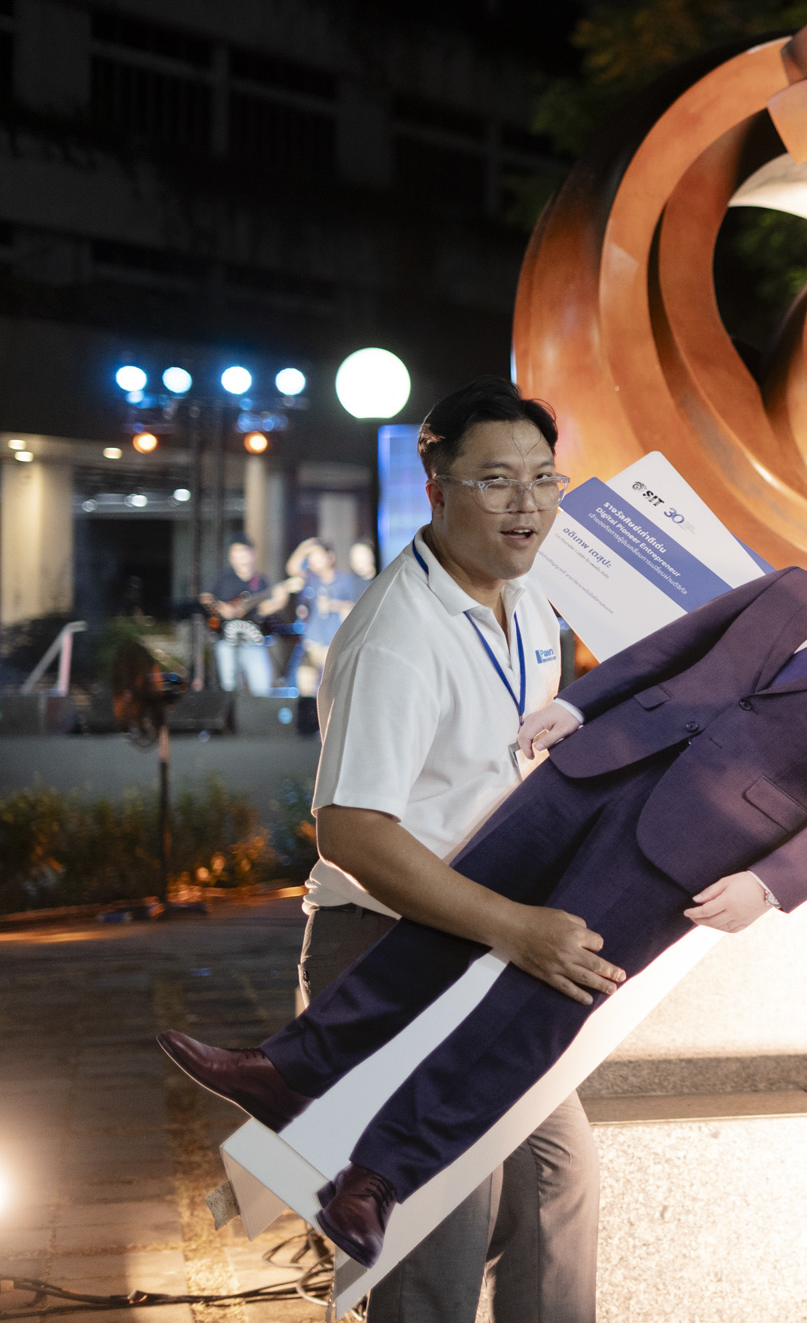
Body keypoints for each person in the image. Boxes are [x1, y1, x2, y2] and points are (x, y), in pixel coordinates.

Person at [161, 510, 807, 1271]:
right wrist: (579, 705)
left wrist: (771, 883)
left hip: (695, 847)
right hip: (600, 761)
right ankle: (291, 1067)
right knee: (452, 916)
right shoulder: (797, 586)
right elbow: (675, 645)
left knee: (536, 1005)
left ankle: (380, 1175)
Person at [202, 379, 593, 1322]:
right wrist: (517, 927)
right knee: (437, 1225)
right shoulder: (397, 634)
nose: (526, 502)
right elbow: (353, 831)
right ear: (437, 488)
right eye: (495, 480)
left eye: (543, 478)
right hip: (389, 945)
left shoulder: (531, 599)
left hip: (487, 940)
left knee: (557, 1183)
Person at [200, 534, 285, 695]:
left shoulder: (261, 581)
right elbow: (205, 598)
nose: (240, 558)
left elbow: (263, 610)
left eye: (243, 553)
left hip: (254, 642)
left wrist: (279, 602)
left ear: (253, 554)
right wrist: (221, 608)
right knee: (230, 688)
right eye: (235, 554)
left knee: (263, 687)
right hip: (227, 642)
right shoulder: (223, 577)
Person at [283, 538, 366, 696]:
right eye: (311, 557)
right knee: (306, 687)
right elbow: (292, 569)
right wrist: (304, 547)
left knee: (333, 689)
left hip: (334, 643)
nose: (313, 561)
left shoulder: (345, 580)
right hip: (312, 642)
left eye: (317, 556)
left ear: (330, 557)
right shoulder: (312, 579)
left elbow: (357, 606)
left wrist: (333, 605)